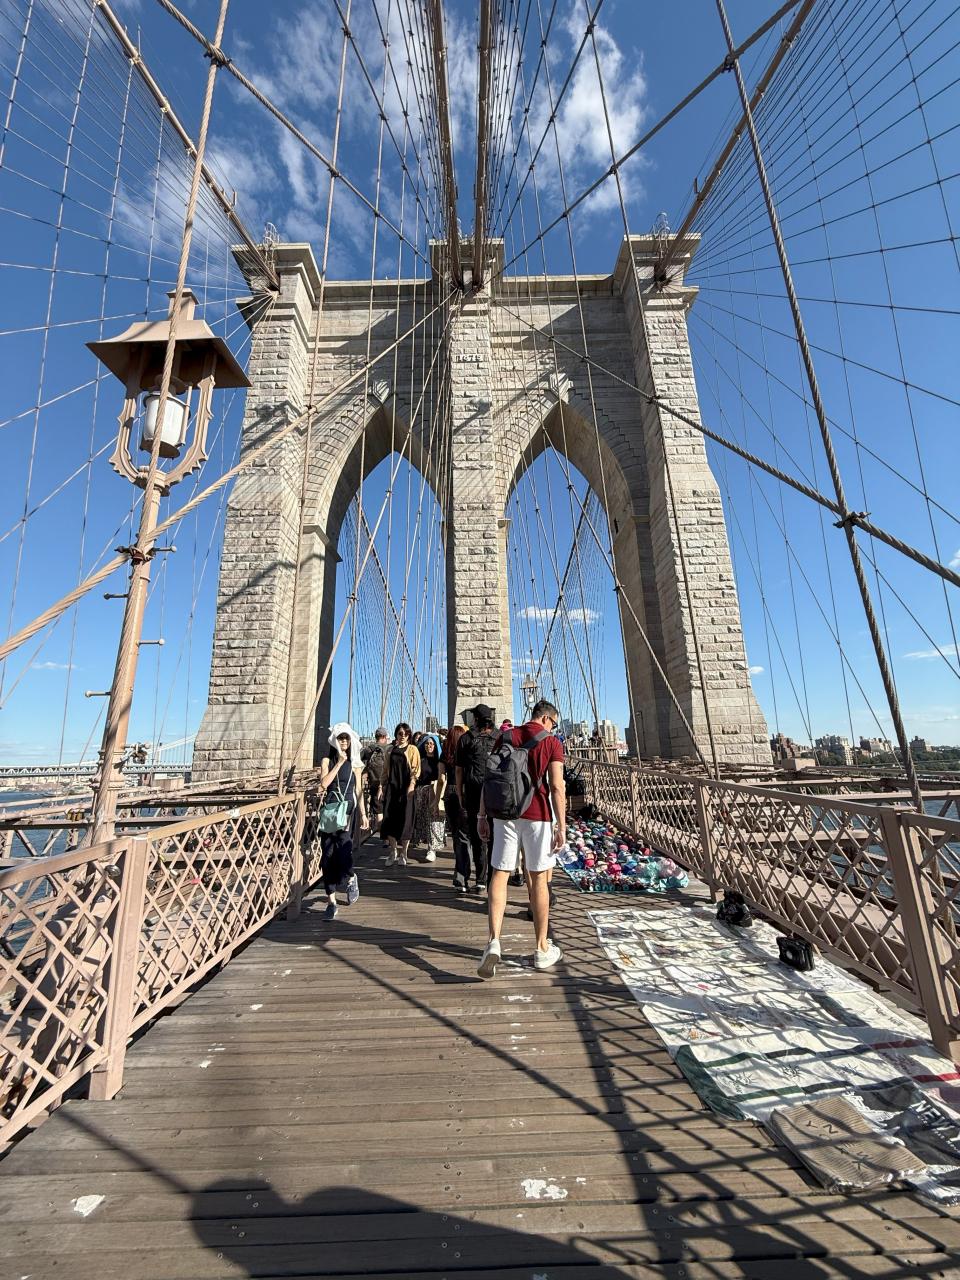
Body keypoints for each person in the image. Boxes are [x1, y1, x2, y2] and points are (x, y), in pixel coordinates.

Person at [477, 699, 566, 977]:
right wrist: (561, 826)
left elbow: (489, 778)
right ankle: (541, 948)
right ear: (547, 718)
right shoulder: (552, 742)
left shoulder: (505, 736)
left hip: (504, 814)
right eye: (554, 723)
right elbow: (557, 787)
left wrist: (482, 816)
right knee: (539, 879)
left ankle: (493, 942)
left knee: (500, 874)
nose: (553, 728)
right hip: (538, 816)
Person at [317, 722, 368, 921]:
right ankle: (331, 903)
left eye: (346, 738)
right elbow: (323, 785)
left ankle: (351, 876)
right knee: (327, 855)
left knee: (344, 852)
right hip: (330, 812)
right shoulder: (326, 761)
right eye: (340, 738)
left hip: (346, 811)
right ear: (334, 741)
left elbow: (359, 791)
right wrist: (338, 763)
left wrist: (363, 813)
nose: (344, 741)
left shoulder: (355, 763)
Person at [455, 703, 498, 893]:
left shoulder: (465, 739)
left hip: (473, 792)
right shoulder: (500, 737)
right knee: (496, 837)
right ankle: (493, 881)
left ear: (476, 718)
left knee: (477, 836)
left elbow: (459, 770)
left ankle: (480, 879)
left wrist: (460, 793)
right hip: (496, 793)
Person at [380, 722, 420, 866]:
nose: (403, 736)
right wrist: (381, 787)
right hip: (392, 789)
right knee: (389, 820)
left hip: (406, 789)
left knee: (406, 820)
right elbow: (385, 770)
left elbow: (415, 770)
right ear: (396, 734)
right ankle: (393, 852)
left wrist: (412, 785)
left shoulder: (413, 749)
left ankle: (404, 853)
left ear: (409, 735)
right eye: (400, 733)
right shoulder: (390, 750)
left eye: (406, 734)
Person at [444, 726, 473, 893]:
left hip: (450, 793)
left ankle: (460, 873)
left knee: (457, 835)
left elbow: (441, 778)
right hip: (465, 792)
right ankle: (470, 874)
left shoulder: (446, 752)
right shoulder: (468, 750)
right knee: (467, 835)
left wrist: (436, 801)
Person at [412, 732, 446, 862]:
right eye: (427, 743)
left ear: (436, 746)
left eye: (432, 744)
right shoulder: (420, 760)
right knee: (423, 819)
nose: (429, 746)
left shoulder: (440, 761)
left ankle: (432, 849)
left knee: (434, 819)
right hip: (421, 792)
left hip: (435, 791)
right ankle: (424, 842)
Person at [360, 727, 389, 827]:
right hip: (388, 785)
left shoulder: (369, 749)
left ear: (376, 737)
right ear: (385, 737)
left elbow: (357, 761)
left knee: (378, 811)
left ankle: (381, 834)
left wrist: (364, 771)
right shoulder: (390, 748)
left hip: (374, 785)